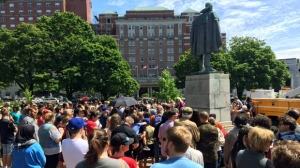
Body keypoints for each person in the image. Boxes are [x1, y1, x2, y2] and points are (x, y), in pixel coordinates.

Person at [190, 2, 222, 73]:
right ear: (210, 7)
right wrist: (217, 37)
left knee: (200, 52)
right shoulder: (212, 14)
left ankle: (201, 67)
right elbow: (216, 25)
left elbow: (193, 31)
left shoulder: (198, 19)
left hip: (199, 40)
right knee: (208, 50)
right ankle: (207, 66)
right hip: (208, 37)